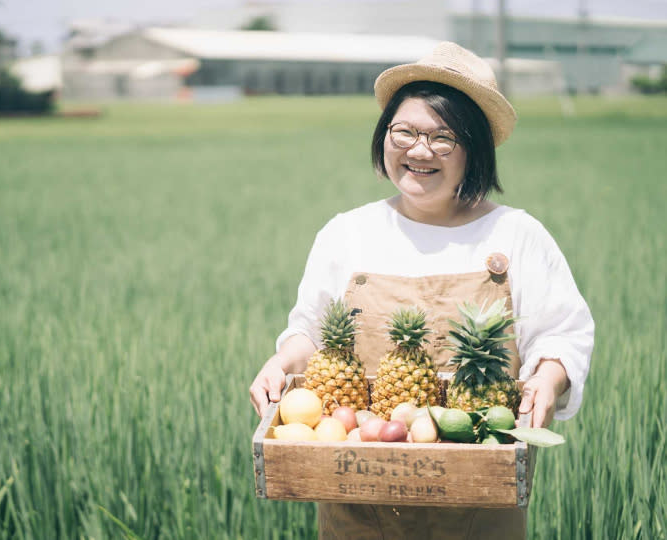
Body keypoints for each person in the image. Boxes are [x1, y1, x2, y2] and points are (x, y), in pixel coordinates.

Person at [249, 41, 594, 539]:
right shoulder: (347, 233)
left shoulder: (517, 236)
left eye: (443, 137)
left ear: (473, 148)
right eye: (404, 131)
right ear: (383, 136)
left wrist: (549, 378)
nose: (419, 150)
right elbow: (310, 332)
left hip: (482, 505)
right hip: (355, 504)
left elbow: (563, 334)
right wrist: (282, 363)